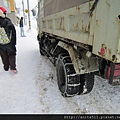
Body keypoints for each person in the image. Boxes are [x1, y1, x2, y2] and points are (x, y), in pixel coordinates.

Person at [0, 7, 17, 74]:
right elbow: (13, 32)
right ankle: (13, 69)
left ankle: (6, 68)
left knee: (4, 56)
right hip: (9, 43)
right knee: (11, 54)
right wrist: (14, 43)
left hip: (1, 44)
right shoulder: (8, 21)